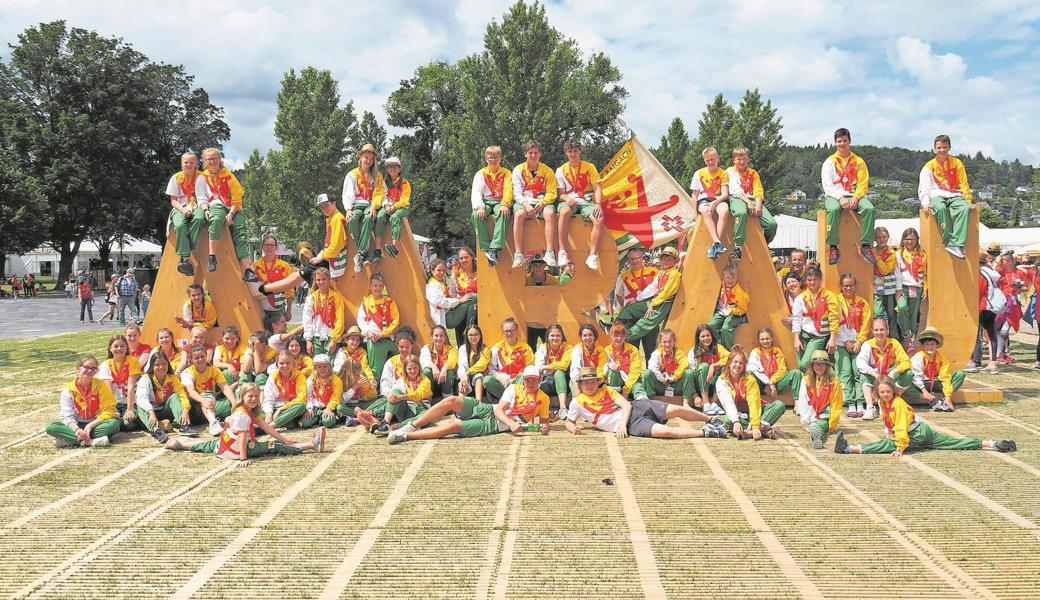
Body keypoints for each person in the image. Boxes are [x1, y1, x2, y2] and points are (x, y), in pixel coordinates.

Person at [834, 377, 1016, 456]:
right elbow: (889, 423)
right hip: (923, 430)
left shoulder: (898, 404)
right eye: (881, 392)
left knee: (888, 445)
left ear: (894, 391)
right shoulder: (883, 403)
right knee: (952, 443)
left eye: (887, 391)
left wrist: (900, 448)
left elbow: (902, 428)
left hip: (917, 433)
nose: (884, 394)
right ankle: (990, 443)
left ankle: (850, 448)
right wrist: (890, 432)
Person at [165, 383, 326, 466]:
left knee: (208, 445)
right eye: (251, 396)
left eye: (257, 396)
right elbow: (243, 437)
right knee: (274, 446)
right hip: (238, 449)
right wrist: (243, 458)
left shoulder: (249, 410)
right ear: (242, 397)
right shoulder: (242, 414)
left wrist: (285, 439)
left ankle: (181, 445)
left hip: (225, 446)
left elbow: (267, 427)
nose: (255, 399)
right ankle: (311, 444)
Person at [387, 365, 550, 444]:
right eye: (527, 379)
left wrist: (544, 427)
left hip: (493, 425)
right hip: (490, 410)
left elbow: (544, 422)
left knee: (455, 426)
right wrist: (512, 424)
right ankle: (411, 426)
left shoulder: (544, 398)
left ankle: (406, 435)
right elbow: (500, 410)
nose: (529, 382)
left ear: (539, 380)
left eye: (533, 380)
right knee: (451, 400)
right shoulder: (514, 388)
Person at [564, 366, 725, 439]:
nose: (590, 385)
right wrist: (573, 429)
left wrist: (621, 425)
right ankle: (706, 432)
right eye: (586, 382)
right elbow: (569, 421)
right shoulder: (577, 402)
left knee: (675, 408)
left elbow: (626, 404)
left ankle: (711, 420)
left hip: (636, 408)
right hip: (632, 424)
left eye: (592, 381)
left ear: (597, 381)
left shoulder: (606, 389)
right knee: (665, 432)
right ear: (580, 384)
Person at [255, 195, 351, 297]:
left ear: (334, 203)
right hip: (327, 259)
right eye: (321, 207)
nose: (324, 209)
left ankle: (263, 290)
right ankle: (267, 289)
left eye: (326, 205)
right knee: (298, 278)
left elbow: (336, 246)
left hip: (328, 261)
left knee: (296, 277)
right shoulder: (332, 219)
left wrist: (319, 258)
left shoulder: (337, 219)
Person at [196, 148, 259, 283]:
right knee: (216, 219)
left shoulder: (228, 175)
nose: (212, 162)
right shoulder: (202, 178)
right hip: (215, 205)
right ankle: (212, 256)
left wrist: (231, 213)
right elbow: (201, 198)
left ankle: (248, 269)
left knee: (240, 230)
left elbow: (237, 197)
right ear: (205, 161)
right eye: (209, 159)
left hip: (232, 207)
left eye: (214, 158)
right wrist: (205, 209)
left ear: (220, 159)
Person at [822, 127, 875, 265]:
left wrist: (856, 198)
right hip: (835, 196)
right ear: (835, 143)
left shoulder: (859, 161)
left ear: (849, 141)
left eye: (845, 140)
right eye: (839, 141)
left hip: (854, 196)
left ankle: (865, 245)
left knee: (869, 209)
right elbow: (827, 185)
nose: (842, 144)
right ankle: (833, 246)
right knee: (833, 210)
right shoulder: (829, 162)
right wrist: (840, 198)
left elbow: (863, 183)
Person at [45, 355, 119, 448]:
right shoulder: (68, 390)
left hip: (96, 423)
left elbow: (109, 411)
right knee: (51, 427)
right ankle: (90, 441)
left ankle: (72, 440)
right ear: (78, 368)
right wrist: (77, 430)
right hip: (76, 424)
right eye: (86, 367)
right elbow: (67, 416)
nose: (89, 371)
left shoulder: (101, 386)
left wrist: (89, 426)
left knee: (114, 424)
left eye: (93, 369)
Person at [919, 134, 973, 258]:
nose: (942, 150)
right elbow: (924, 186)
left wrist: (968, 200)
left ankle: (956, 244)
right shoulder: (929, 166)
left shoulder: (957, 163)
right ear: (934, 149)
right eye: (939, 148)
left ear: (949, 147)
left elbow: (964, 182)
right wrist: (925, 203)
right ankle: (948, 238)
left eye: (944, 147)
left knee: (965, 208)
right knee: (940, 208)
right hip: (937, 194)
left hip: (954, 194)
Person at [555, 138, 606, 269]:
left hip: (586, 201)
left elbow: (597, 188)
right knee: (564, 212)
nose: (573, 154)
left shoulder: (589, 167)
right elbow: (560, 194)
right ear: (566, 152)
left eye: (575, 151)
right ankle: (562, 252)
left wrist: (598, 204)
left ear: (580, 151)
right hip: (569, 200)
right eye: (570, 151)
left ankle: (592, 255)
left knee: (599, 218)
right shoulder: (560, 170)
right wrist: (566, 198)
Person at [619, 247, 682, 353]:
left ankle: (624, 335)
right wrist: (637, 299)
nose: (666, 261)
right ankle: (616, 324)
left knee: (646, 322)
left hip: (664, 302)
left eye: (669, 259)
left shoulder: (675, 274)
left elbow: (666, 293)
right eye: (664, 258)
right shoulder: (662, 272)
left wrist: (652, 304)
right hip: (655, 300)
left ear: (675, 260)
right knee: (630, 308)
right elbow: (652, 287)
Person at [715, 346, 785, 439]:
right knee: (728, 420)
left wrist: (755, 426)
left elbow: (754, 403)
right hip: (739, 414)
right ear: (729, 363)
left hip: (757, 412)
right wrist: (736, 421)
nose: (738, 365)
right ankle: (763, 431)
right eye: (735, 362)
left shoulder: (750, 380)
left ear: (744, 366)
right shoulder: (722, 380)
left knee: (779, 405)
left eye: (741, 363)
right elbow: (728, 403)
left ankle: (750, 432)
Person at [511, 140, 559, 269]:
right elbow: (516, 192)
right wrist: (525, 204)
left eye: (535, 153)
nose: (533, 155)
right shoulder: (518, 170)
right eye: (530, 153)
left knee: (549, 213)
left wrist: (543, 203)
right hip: (524, 202)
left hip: (542, 202)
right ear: (525, 154)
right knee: (519, 214)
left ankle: (549, 252)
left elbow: (552, 192)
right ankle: (518, 253)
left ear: (540, 154)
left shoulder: (548, 171)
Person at [726, 147, 777, 261]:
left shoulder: (753, 173)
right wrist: (748, 202)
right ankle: (738, 247)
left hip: (752, 199)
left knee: (772, 224)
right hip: (737, 198)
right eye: (739, 159)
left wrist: (758, 205)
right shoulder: (730, 172)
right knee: (741, 213)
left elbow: (758, 190)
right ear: (733, 160)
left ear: (748, 159)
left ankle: (764, 243)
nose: (742, 162)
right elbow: (735, 190)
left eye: (744, 159)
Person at [856, 318, 913, 420]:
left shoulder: (894, 343)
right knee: (863, 375)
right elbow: (860, 362)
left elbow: (906, 361)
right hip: (876, 378)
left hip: (890, 378)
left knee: (908, 374)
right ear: (872, 331)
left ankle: (891, 401)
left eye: (882, 329)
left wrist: (895, 371)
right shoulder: (868, 344)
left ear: (887, 330)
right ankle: (870, 408)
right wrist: (873, 372)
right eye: (876, 330)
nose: (879, 333)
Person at [342, 143, 385, 272]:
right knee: (352, 219)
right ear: (360, 157)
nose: (369, 161)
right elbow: (347, 192)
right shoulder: (352, 174)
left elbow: (379, 193)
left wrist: (374, 206)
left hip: (369, 204)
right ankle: (362, 253)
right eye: (366, 157)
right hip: (356, 204)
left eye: (372, 159)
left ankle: (360, 255)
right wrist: (348, 209)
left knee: (369, 217)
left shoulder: (377, 175)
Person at [835, 273, 871, 418]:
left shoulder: (862, 303)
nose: (848, 288)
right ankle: (850, 402)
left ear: (855, 286)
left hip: (858, 344)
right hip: (840, 342)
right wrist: (845, 341)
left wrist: (860, 341)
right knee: (845, 373)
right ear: (841, 286)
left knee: (858, 372)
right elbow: (834, 322)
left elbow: (866, 323)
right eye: (845, 285)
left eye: (851, 285)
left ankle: (860, 402)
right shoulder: (836, 301)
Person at [470, 146, 514, 266]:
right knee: (476, 215)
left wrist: (505, 204)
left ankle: (494, 248)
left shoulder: (506, 173)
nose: (493, 160)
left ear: (500, 158)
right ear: (486, 159)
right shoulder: (480, 174)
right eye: (490, 158)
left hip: (500, 201)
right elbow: (476, 192)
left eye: (496, 157)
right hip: (486, 200)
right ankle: (485, 248)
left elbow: (509, 190)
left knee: (504, 213)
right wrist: (480, 206)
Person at [133, 352, 190, 443]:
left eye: (164, 364)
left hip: (164, 410)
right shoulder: (146, 379)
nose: (161, 367)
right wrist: (151, 412)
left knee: (175, 396)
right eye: (157, 365)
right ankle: (157, 431)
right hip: (151, 413)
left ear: (168, 364)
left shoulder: (173, 378)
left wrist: (186, 409)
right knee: (140, 406)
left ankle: (184, 426)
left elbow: (182, 394)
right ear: (152, 366)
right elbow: (141, 398)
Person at [180, 343, 236, 436]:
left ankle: (231, 417)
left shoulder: (214, 370)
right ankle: (213, 423)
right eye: (196, 358)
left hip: (211, 405)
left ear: (206, 356)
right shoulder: (187, 372)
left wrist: (234, 403)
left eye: (202, 356)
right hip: (195, 408)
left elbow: (225, 387)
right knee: (207, 396)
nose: (200, 359)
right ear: (191, 359)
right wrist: (203, 401)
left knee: (237, 396)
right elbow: (191, 391)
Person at [164, 151, 205, 276]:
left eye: (191, 162)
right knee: (180, 226)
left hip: (197, 204)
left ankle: (187, 248)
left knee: (199, 219)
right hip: (180, 206)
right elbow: (173, 201)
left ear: (196, 164)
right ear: (181, 164)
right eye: (186, 162)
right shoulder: (176, 178)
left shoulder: (201, 176)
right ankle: (185, 257)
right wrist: (183, 210)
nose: (188, 165)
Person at [790, 266, 839, 369]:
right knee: (801, 365)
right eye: (809, 280)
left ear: (820, 280)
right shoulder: (800, 297)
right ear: (805, 280)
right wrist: (796, 339)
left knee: (805, 365)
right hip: (803, 335)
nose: (812, 282)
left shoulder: (829, 296)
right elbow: (797, 319)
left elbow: (834, 318)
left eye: (815, 279)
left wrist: (833, 338)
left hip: (819, 336)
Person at [368, 355, 431, 435]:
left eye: (415, 368)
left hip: (421, 408)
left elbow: (418, 395)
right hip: (406, 409)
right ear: (405, 370)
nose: (412, 371)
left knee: (426, 416)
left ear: (419, 367)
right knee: (395, 391)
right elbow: (395, 392)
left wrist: (402, 397)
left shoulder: (425, 380)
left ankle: (396, 427)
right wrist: (392, 396)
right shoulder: (402, 380)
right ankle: (385, 422)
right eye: (409, 369)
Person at [795, 350, 843, 449]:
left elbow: (836, 405)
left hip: (825, 414)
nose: (819, 367)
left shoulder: (833, 382)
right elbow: (803, 401)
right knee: (816, 426)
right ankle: (817, 434)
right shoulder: (805, 380)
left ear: (827, 366)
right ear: (812, 366)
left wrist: (832, 426)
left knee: (823, 423)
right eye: (816, 364)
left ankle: (817, 433)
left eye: (822, 364)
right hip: (809, 413)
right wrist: (805, 419)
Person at [910, 327, 965, 412]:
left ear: (937, 345)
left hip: (936, 382)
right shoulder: (918, 357)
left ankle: (944, 400)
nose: (929, 347)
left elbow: (945, 377)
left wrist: (948, 397)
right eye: (927, 344)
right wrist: (924, 391)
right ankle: (931, 400)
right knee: (905, 383)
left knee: (959, 374)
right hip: (921, 384)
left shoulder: (942, 358)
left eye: (932, 344)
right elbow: (916, 376)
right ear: (923, 346)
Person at [689, 147, 730, 259]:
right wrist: (695, 213)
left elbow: (725, 194)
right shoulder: (699, 173)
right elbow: (694, 195)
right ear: (704, 161)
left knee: (724, 210)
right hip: (703, 200)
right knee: (706, 211)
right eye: (707, 160)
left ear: (718, 158)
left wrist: (715, 203)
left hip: (718, 198)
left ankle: (716, 243)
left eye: (712, 159)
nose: (710, 162)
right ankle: (717, 241)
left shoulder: (723, 173)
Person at [357, 273, 400, 380]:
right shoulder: (365, 302)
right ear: (370, 286)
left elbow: (396, 321)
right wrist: (368, 332)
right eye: (375, 286)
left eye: (380, 286)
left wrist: (382, 334)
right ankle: (376, 387)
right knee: (376, 368)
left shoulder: (389, 302)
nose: (378, 288)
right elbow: (360, 320)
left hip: (388, 338)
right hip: (374, 339)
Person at [96, 335, 143, 431]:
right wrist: (112, 410)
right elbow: (107, 390)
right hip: (115, 403)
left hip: (131, 402)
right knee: (112, 418)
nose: (119, 349)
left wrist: (129, 409)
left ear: (127, 347)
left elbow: (131, 387)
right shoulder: (106, 364)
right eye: (116, 346)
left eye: (122, 346)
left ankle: (121, 421)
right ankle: (116, 420)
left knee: (128, 425)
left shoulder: (132, 361)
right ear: (110, 348)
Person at [967, 248, 1003, 374]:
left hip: (980, 306)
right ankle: (992, 363)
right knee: (991, 335)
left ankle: (971, 362)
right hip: (990, 307)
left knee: (973, 334)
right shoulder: (990, 272)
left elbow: (979, 292)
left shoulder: (979, 274)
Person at [642, 328, 695, 407]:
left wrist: (674, 376)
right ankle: (652, 401)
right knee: (647, 373)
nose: (667, 344)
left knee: (689, 373)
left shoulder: (679, 352)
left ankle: (686, 402)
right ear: (660, 342)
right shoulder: (657, 353)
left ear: (674, 342)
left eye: (670, 341)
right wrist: (662, 378)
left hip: (675, 385)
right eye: (664, 342)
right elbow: (652, 367)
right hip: (661, 385)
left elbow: (685, 364)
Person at [748, 327, 802, 404]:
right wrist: (768, 382)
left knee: (796, 373)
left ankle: (797, 402)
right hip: (761, 384)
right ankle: (752, 402)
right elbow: (755, 370)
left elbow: (782, 370)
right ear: (759, 340)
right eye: (762, 339)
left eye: (767, 338)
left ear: (772, 339)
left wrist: (772, 381)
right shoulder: (755, 352)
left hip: (776, 384)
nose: (765, 341)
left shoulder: (777, 351)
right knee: (749, 373)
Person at [486, 317, 535, 401]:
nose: (509, 333)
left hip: (519, 381)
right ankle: (512, 400)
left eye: (511, 330)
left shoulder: (525, 347)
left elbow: (530, 369)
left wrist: (514, 379)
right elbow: (491, 369)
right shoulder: (497, 348)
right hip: (503, 382)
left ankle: (512, 399)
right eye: (506, 331)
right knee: (487, 380)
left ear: (516, 330)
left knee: (522, 376)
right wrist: (501, 378)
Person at [302, 268, 346, 357]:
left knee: (330, 365)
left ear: (329, 279)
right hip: (316, 337)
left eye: (324, 279)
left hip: (331, 337)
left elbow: (340, 320)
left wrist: (334, 340)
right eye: (318, 280)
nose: (321, 282)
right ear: (315, 280)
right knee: (318, 365)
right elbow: (307, 319)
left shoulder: (336, 297)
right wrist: (308, 340)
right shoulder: (312, 297)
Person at [426, 258, 476, 334]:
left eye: (443, 270)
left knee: (470, 300)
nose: (442, 273)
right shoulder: (432, 285)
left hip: (448, 313)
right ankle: (469, 329)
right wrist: (459, 300)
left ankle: (468, 329)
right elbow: (440, 301)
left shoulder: (439, 282)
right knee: (473, 297)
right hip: (445, 317)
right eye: (439, 270)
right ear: (432, 271)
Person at [609, 247, 658, 325]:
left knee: (651, 336)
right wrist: (622, 307)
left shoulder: (654, 271)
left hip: (649, 310)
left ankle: (614, 325)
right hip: (630, 314)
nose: (634, 261)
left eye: (637, 258)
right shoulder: (623, 276)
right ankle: (615, 326)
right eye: (631, 259)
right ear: (628, 260)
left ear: (642, 258)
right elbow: (618, 294)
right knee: (627, 334)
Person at [689, 323, 730, 414]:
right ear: (698, 338)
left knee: (725, 368)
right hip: (700, 385)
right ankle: (706, 403)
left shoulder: (718, 347)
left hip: (715, 383)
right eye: (702, 336)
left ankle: (714, 403)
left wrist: (714, 365)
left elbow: (730, 357)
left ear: (712, 336)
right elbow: (691, 375)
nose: (706, 338)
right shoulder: (693, 351)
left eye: (708, 335)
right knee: (704, 366)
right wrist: (695, 395)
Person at [896, 227, 927, 347]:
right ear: (903, 240)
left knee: (913, 316)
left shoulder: (922, 254)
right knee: (902, 307)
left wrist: (925, 288)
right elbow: (897, 272)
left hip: (917, 287)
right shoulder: (898, 254)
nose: (910, 241)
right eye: (907, 239)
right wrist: (898, 289)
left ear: (917, 240)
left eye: (913, 239)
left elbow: (925, 272)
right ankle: (905, 333)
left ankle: (910, 341)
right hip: (903, 287)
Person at [534, 323, 573, 418]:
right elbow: (538, 366)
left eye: (558, 335)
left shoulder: (568, 347)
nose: (555, 338)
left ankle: (563, 407)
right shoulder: (543, 348)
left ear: (562, 336)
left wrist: (546, 367)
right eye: (552, 335)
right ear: (547, 337)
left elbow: (564, 365)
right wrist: (546, 368)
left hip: (564, 381)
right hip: (548, 381)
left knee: (559, 373)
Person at [376, 156, 411, 259]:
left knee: (394, 217)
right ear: (387, 169)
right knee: (379, 216)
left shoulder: (405, 183)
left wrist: (395, 206)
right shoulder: (384, 182)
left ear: (399, 169)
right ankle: (378, 247)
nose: (392, 169)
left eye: (395, 167)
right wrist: (386, 205)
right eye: (390, 167)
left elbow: (404, 199)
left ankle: (394, 246)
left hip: (401, 207)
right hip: (388, 205)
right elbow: (383, 195)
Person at [262, 350, 308, 428]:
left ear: (293, 363)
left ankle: (270, 427)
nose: (285, 366)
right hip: (275, 408)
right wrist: (269, 414)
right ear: (277, 364)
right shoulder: (273, 377)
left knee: (301, 406)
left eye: (288, 363)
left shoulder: (299, 375)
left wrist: (282, 408)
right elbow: (268, 399)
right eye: (281, 363)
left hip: (291, 408)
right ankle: (284, 421)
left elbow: (301, 398)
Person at [604, 321, 649, 401]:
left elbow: (635, 372)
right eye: (616, 336)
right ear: (611, 336)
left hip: (630, 381)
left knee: (639, 390)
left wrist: (626, 391)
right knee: (613, 371)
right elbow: (602, 370)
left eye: (622, 336)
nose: (619, 338)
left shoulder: (633, 350)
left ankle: (645, 405)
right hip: (614, 381)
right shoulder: (607, 350)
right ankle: (615, 399)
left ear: (625, 337)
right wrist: (608, 365)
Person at [252, 235, 295, 320]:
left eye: (272, 245)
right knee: (262, 333)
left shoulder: (284, 266)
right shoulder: (255, 266)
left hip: (278, 309)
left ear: (276, 247)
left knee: (278, 332)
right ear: (262, 247)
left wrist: (289, 311)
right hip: (259, 308)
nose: (269, 247)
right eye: (266, 245)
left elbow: (289, 290)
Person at [872, 227, 903, 338]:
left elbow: (886, 270)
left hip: (890, 289)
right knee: (877, 313)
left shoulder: (892, 252)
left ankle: (894, 336)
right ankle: (878, 336)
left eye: (884, 237)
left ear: (888, 237)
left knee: (892, 315)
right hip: (876, 288)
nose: (881, 239)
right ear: (875, 238)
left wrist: (876, 257)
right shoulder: (872, 250)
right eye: (879, 237)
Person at [709, 265, 749, 349]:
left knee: (725, 328)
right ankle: (718, 347)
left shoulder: (740, 294)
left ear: (736, 278)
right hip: (720, 312)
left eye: (732, 278)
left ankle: (728, 351)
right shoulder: (719, 286)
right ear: (724, 277)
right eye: (727, 277)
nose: (730, 280)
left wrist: (732, 311)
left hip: (734, 314)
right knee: (711, 325)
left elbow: (743, 309)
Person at [301, 354, 343, 429]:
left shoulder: (336, 380)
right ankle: (318, 418)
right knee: (305, 423)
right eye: (319, 367)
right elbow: (308, 396)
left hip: (328, 407)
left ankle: (325, 418)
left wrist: (329, 408)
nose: (322, 369)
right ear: (315, 368)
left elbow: (336, 397)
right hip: (315, 406)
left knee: (328, 422)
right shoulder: (311, 379)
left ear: (329, 367)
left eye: (325, 366)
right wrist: (309, 407)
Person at [419, 325, 459, 399]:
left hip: (446, 381)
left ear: (445, 337)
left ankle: (447, 397)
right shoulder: (426, 348)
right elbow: (424, 361)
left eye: (441, 336)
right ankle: (428, 397)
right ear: (431, 337)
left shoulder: (451, 349)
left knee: (449, 371)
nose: (439, 338)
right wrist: (434, 367)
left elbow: (452, 361)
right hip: (433, 382)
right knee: (427, 371)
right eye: (436, 336)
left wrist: (444, 369)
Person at [336, 357, 379, 424]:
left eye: (359, 374)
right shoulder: (339, 380)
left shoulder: (360, 377)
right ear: (349, 374)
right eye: (356, 375)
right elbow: (342, 400)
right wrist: (355, 387)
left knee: (383, 400)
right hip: (349, 406)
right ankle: (364, 416)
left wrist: (372, 387)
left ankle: (359, 417)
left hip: (361, 404)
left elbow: (372, 396)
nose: (359, 377)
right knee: (339, 408)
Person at [378, 327, 418, 395]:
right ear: (397, 346)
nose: (404, 350)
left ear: (412, 346)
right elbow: (385, 382)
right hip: (394, 396)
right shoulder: (391, 362)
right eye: (401, 347)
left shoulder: (417, 361)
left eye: (407, 347)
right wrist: (388, 394)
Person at [458, 325, 491, 403]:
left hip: (478, 375)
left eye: (476, 334)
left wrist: (468, 372)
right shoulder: (463, 348)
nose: (473, 337)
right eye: (470, 335)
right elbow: (462, 364)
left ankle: (478, 403)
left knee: (478, 376)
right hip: (465, 375)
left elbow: (481, 365)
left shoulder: (485, 349)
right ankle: (460, 405)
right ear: (467, 336)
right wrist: (464, 377)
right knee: (462, 382)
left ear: (480, 335)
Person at [213, 325, 246, 394]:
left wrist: (237, 382)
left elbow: (243, 368)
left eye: (233, 338)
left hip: (241, 376)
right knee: (225, 372)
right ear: (222, 338)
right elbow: (215, 362)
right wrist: (229, 366)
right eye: (226, 338)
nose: (229, 341)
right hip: (229, 376)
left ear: (237, 338)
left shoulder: (243, 348)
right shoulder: (219, 348)